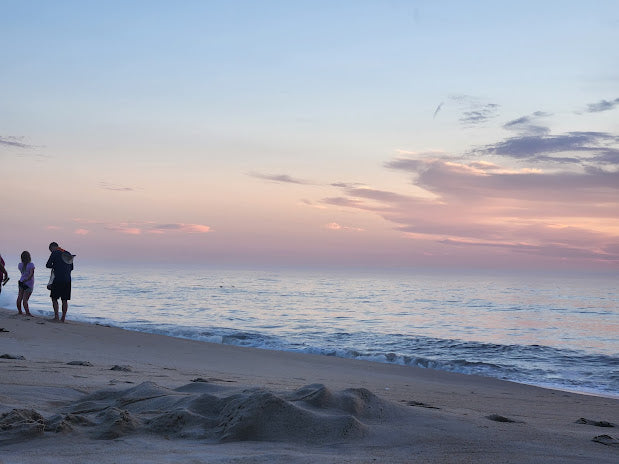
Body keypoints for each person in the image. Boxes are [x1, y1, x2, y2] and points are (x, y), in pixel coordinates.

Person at [46, 242, 75, 322]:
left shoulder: (55, 253)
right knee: (64, 299)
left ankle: (56, 317)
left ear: (52, 247)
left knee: (54, 298)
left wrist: (56, 266)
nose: (51, 252)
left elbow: (48, 265)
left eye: (50, 250)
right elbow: (72, 267)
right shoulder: (68, 253)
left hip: (58, 279)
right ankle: (63, 318)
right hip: (67, 279)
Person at [17, 251, 35, 316]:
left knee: (19, 297)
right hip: (28, 283)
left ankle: (20, 311)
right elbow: (31, 274)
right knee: (25, 299)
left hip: (21, 281)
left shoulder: (20, 265)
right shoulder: (31, 265)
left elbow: (23, 273)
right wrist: (27, 279)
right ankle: (27, 313)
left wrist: (24, 279)